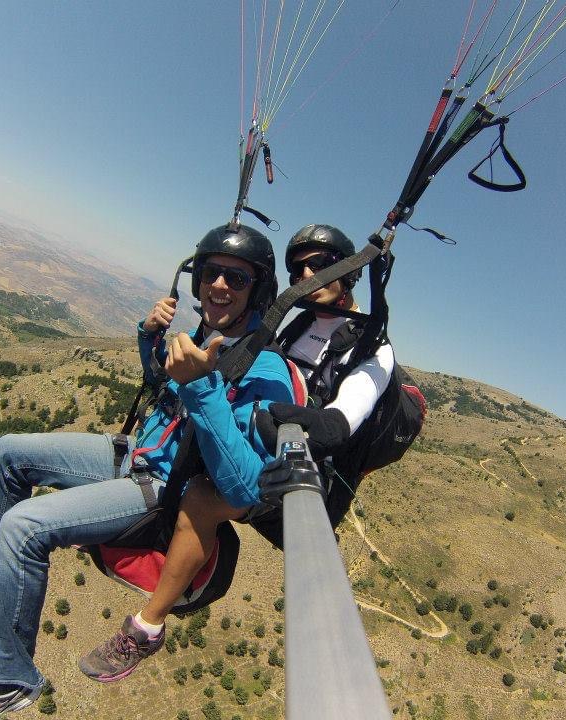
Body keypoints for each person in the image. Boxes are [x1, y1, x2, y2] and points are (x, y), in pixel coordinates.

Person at [0, 224, 294, 719]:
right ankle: (0, 569)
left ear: (258, 291)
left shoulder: (267, 372)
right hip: (133, 454)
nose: (219, 286)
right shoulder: (202, 335)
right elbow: (160, 384)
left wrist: (202, 387)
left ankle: (11, 679)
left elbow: (244, 486)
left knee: (25, 528)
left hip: (158, 490)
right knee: (9, 451)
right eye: (212, 273)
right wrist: (150, 336)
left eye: (236, 278)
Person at [110, 224, 394, 676]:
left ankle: (147, 625)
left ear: (348, 274)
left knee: (203, 496)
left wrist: (282, 416)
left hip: (295, 475)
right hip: (261, 445)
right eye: (298, 266)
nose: (307, 273)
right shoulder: (296, 322)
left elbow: (340, 423)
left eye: (320, 265)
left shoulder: (372, 349)